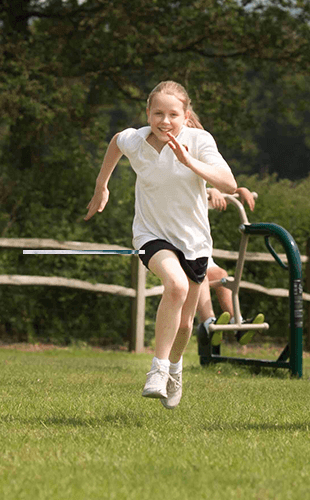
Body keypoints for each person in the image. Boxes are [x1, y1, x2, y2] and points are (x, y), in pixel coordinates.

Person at [84, 81, 240, 410]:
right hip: (150, 234)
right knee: (175, 284)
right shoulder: (135, 139)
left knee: (185, 324)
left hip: (194, 242)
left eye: (172, 114)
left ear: (185, 116)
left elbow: (229, 183)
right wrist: (102, 186)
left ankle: (175, 368)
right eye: (158, 113)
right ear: (147, 114)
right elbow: (116, 142)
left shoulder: (199, 141)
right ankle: (157, 369)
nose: (164, 121)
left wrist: (189, 163)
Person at [195, 186, 262, 347]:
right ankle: (209, 324)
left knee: (221, 274)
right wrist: (211, 191)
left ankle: (237, 322)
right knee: (200, 275)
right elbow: (190, 190)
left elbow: (219, 195)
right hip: (180, 253)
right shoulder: (182, 192)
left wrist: (240, 190)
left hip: (200, 253)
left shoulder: (199, 193)